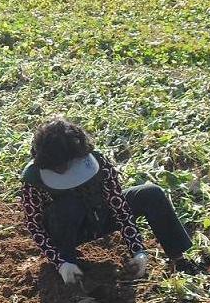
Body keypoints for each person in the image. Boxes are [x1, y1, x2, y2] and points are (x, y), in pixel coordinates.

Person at [20, 118, 197, 285]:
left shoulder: (96, 161)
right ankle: (71, 267)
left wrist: (138, 251)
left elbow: (119, 206)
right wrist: (60, 262)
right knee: (68, 206)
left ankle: (179, 260)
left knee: (151, 193)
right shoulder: (33, 180)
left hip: (100, 215)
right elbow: (35, 226)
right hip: (67, 231)